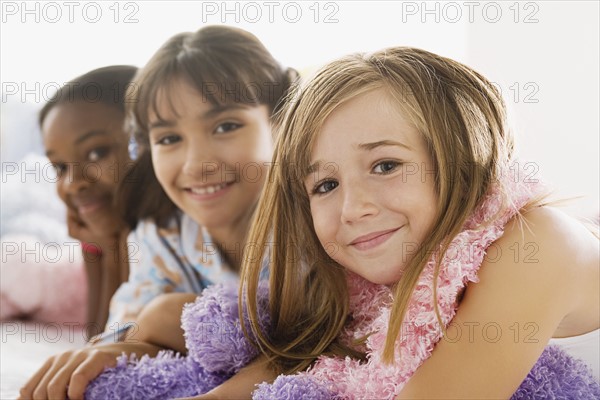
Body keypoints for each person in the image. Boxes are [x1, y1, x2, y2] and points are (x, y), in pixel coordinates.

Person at [227, 46, 598, 399]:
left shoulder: (539, 243)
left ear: (462, 162)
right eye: (326, 185)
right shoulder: (364, 284)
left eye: (386, 165)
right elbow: (307, 354)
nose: (353, 209)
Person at [19, 25, 297, 400]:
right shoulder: (164, 232)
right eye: (169, 139)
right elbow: (128, 328)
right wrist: (108, 351)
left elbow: (316, 343)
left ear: (279, 122)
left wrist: (165, 318)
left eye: (226, 125)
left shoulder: (310, 225)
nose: (197, 164)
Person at [39, 65, 137, 332]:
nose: (73, 183)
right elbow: (98, 338)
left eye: (96, 153)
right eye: (60, 167)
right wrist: (109, 249)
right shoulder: (97, 234)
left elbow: (129, 340)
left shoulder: (169, 232)